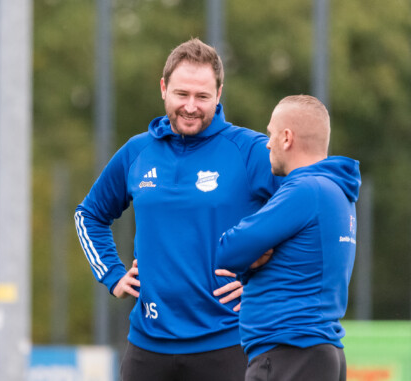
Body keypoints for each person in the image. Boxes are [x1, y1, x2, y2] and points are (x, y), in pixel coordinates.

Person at [74, 38, 280, 381]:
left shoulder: (251, 151)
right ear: (163, 88)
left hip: (228, 343)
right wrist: (112, 274)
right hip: (147, 345)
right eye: (181, 94)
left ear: (219, 93)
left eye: (202, 97)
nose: (190, 106)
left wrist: (266, 283)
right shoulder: (136, 152)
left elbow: (308, 216)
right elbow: (89, 215)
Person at [215, 95, 360, 381]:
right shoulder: (336, 191)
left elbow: (228, 251)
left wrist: (247, 262)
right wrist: (253, 266)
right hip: (311, 351)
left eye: (270, 133)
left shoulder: (304, 189)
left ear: (286, 138)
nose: (267, 143)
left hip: (291, 352)